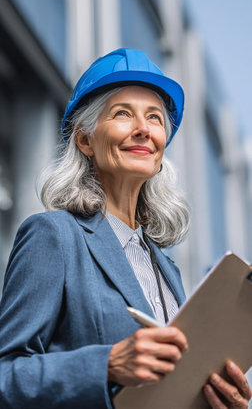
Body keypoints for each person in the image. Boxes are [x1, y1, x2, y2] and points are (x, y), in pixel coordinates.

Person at [0, 48, 251, 409]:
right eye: (122, 114)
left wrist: (221, 401)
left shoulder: (168, 272)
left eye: (154, 118)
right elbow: (6, 374)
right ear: (84, 139)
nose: (143, 130)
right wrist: (107, 365)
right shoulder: (53, 236)